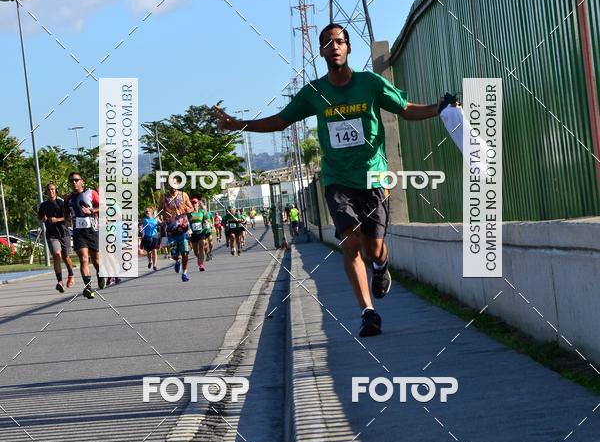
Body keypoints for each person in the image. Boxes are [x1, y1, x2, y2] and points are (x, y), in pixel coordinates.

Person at [214, 22, 457, 337]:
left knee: (374, 249)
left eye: (339, 41)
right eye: (328, 42)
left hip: (372, 176)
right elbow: (280, 121)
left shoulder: (370, 83)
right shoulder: (315, 93)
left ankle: (381, 268)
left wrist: (439, 108)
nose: (334, 46)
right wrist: (238, 125)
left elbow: (406, 110)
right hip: (337, 178)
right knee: (351, 242)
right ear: (321, 51)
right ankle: (368, 313)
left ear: (348, 47)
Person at [63, 172, 102, 299]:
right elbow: (65, 213)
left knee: (96, 260)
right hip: (78, 232)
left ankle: (101, 274)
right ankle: (88, 287)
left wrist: (90, 211)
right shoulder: (68, 198)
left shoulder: (91, 193)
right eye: (71, 181)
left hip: (92, 230)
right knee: (84, 259)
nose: (73, 182)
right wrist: (67, 219)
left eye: (76, 180)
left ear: (82, 181)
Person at [38, 182, 75, 294]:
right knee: (56, 254)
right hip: (51, 234)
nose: (51, 191)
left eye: (53, 189)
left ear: (56, 190)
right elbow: (39, 217)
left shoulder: (62, 203)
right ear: (46, 192)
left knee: (66, 257)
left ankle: (71, 274)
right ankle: (60, 282)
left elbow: (69, 219)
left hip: (64, 233)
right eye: (49, 190)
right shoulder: (43, 205)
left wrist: (57, 220)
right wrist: (43, 218)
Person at [158, 180, 193, 281]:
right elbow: (159, 210)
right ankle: (177, 261)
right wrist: (163, 214)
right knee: (174, 254)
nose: (172, 186)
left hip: (183, 228)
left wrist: (187, 210)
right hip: (171, 230)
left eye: (174, 184)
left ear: (177, 185)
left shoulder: (183, 195)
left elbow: (191, 207)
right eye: (170, 184)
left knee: (185, 252)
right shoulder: (164, 197)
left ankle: (185, 273)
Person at [140, 206, 161, 271]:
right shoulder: (144, 219)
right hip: (147, 237)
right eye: (145, 212)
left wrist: (160, 224)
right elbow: (139, 224)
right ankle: (150, 261)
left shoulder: (156, 218)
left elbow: (161, 223)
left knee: (154, 250)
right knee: (148, 252)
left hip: (155, 236)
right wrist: (139, 227)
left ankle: (154, 265)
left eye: (147, 211)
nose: (146, 213)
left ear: (151, 212)